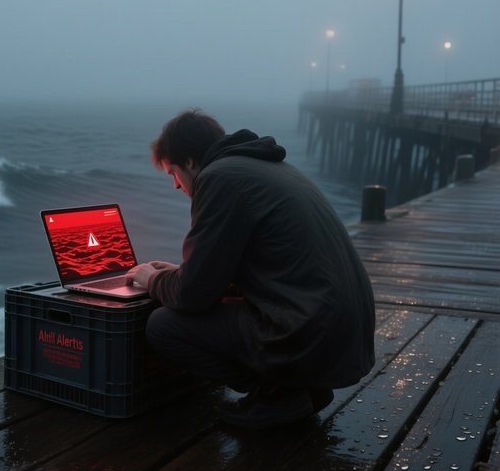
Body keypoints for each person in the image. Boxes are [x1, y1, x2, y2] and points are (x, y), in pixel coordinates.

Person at [126, 109, 375, 429]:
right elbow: (261, 268)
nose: (175, 186)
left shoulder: (218, 179)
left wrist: (154, 279)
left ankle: (277, 394)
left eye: (172, 173)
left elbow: (193, 296)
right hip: (342, 330)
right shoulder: (270, 168)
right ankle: (302, 388)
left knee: (163, 325)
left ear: (189, 162)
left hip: (310, 330)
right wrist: (178, 273)